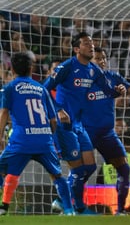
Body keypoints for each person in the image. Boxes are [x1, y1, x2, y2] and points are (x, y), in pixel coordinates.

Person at [44, 32, 121, 215]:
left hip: (79, 124)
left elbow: (108, 91)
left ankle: (63, 201)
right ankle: (76, 206)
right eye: (86, 43)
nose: (91, 46)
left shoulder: (93, 70)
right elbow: (44, 90)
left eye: (92, 43)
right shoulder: (67, 67)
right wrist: (58, 110)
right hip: (64, 126)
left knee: (90, 167)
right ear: (77, 49)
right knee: (78, 169)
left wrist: (118, 90)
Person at [0, 52, 74, 215]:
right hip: (44, 140)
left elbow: (3, 114)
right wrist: (47, 135)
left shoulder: (9, 88)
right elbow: (53, 120)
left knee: (4, 169)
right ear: (31, 68)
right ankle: (69, 211)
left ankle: (3, 207)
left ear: (12, 70)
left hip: (21, 141)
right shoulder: (41, 89)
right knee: (57, 176)